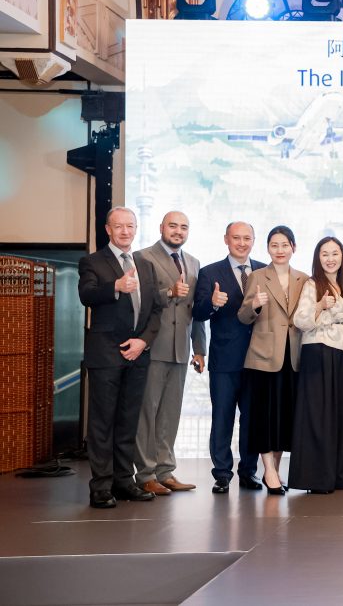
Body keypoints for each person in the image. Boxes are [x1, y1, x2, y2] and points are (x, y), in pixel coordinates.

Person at [78, 207, 163, 509]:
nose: (125, 231)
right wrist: (115, 286)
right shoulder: (92, 262)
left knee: (128, 422)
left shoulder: (146, 264)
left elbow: (156, 309)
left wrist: (143, 341)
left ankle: (124, 481)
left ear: (136, 228)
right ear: (108, 229)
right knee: (102, 423)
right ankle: (101, 487)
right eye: (119, 226)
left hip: (137, 354)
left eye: (130, 226)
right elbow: (86, 295)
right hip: (105, 354)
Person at [132, 211, 206, 496]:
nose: (178, 231)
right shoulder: (142, 257)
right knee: (147, 413)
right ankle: (145, 474)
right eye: (173, 226)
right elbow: (139, 301)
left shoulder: (193, 262)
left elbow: (196, 311)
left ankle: (165, 471)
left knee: (170, 414)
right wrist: (170, 292)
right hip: (153, 345)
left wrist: (199, 349)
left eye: (183, 227)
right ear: (161, 227)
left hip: (181, 348)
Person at [193, 221, 266, 493]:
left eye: (247, 238)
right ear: (226, 239)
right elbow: (198, 313)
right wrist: (212, 303)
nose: (242, 243)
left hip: (258, 358)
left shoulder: (264, 271)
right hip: (224, 359)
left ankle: (249, 471)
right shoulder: (210, 272)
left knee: (252, 419)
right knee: (222, 417)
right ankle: (222, 474)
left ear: (253, 240)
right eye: (236, 238)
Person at [238, 225, 308, 494]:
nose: (279, 250)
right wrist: (254, 304)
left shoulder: (303, 279)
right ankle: (268, 470)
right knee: (264, 417)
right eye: (274, 245)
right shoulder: (257, 276)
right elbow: (243, 316)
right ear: (267, 248)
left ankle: (275, 470)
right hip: (264, 357)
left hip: (294, 356)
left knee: (284, 418)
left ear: (293, 248)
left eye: (284, 245)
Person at [289, 236, 343, 493]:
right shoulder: (312, 283)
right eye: (325, 254)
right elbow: (300, 320)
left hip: (342, 352)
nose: (330, 259)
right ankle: (316, 478)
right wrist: (320, 305)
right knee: (318, 414)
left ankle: (338, 476)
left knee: (340, 414)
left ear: (342, 256)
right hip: (318, 350)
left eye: (335, 253)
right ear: (318, 257)